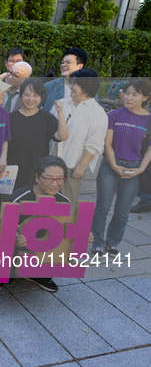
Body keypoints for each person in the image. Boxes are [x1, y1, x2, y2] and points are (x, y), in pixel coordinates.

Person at [0, 156, 71, 294]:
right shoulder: (18, 199)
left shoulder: (64, 202)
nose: (55, 184)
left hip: (42, 246)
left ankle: (39, 275)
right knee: (5, 268)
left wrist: (82, 235)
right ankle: (2, 274)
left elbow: (64, 230)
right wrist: (14, 236)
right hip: (14, 247)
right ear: (37, 177)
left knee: (62, 251)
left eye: (60, 179)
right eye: (49, 178)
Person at [92, 79, 151, 256]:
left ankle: (113, 242)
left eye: (135, 94)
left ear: (145, 97)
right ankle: (97, 241)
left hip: (134, 169)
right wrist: (115, 166)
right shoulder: (114, 115)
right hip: (110, 166)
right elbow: (107, 144)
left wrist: (140, 170)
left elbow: (150, 149)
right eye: (127, 93)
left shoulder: (149, 120)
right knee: (102, 207)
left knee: (123, 211)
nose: (128, 97)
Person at [50, 68, 107, 209]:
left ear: (86, 86)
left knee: (67, 204)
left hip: (72, 166)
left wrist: (81, 166)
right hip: (51, 162)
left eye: (74, 83)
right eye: (71, 82)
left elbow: (94, 144)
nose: (70, 86)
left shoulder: (97, 112)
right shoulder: (62, 103)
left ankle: (63, 231)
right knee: (46, 203)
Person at [8, 78, 68, 189]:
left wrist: (60, 113)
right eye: (27, 94)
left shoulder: (47, 118)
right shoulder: (10, 117)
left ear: (41, 98)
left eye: (36, 95)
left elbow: (62, 136)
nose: (31, 99)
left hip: (36, 173)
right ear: (21, 95)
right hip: (12, 172)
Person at [42, 47, 88, 113]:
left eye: (68, 62)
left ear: (80, 66)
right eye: (63, 62)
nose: (63, 65)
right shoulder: (48, 87)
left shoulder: (89, 89)